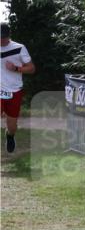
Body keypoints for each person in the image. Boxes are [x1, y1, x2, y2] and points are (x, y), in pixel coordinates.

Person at [1, 22, 36, 153]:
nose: (1, 40)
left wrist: (16, 68)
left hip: (14, 91)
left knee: (12, 125)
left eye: (3, 37)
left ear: (8, 36)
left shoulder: (19, 48)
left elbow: (31, 68)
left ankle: (10, 136)